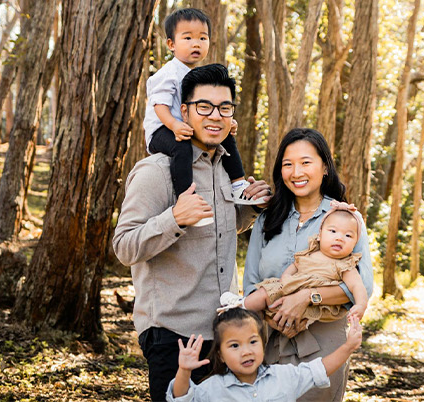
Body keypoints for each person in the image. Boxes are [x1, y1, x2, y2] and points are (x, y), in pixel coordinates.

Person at [113, 63, 271, 402]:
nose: (215, 116)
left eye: (225, 107)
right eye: (204, 107)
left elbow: (222, 229)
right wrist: (173, 218)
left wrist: (252, 209)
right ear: (184, 111)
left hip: (226, 331)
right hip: (173, 337)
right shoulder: (156, 172)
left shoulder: (225, 171)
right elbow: (124, 246)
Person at [243, 128, 375, 401]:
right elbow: (250, 283)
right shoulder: (267, 220)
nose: (296, 172)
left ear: (324, 167)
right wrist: (274, 316)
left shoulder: (345, 219)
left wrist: (306, 298)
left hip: (323, 346)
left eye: (306, 162)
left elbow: (362, 286)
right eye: (287, 164)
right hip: (269, 342)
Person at [143, 9, 259, 227]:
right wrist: (174, 125)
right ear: (171, 44)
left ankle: (238, 184)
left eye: (202, 38)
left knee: (226, 139)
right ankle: (187, 198)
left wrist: (226, 120)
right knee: (183, 147)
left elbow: (208, 108)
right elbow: (159, 106)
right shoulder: (167, 74)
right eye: (187, 38)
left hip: (183, 125)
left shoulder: (198, 75)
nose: (196, 43)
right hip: (161, 129)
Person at [166, 308, 363, 401]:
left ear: (263, 343)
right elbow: (181, 399)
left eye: (253, 342)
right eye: (234, 346)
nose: (246, 351)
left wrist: (348, 347)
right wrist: (184, 370)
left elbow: (319, 370)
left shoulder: (283, 377)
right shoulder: (213, 388)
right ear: (221, 354)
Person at [241, 207, 370, 339]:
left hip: (314, 311)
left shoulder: (345, 265)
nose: (339, 238)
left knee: (303, 316)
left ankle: (243, 310)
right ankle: (239, 307)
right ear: (319, 235)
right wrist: (285, 278)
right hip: (288, 290)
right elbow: (295, 265)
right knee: (265, 293)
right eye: (333, 231)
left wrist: (361, 305)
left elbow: (357, 287)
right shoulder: (311, 253)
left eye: (348, 236)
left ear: (355, 243)